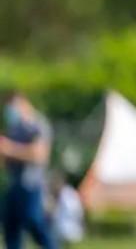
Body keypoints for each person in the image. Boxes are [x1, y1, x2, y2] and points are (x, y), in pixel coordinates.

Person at [0, 92, 57, 249]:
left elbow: (39, 155)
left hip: (31, 184)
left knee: (34, 222)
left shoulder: (38, 125)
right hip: (14, 184)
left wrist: (10, 149)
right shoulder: (14, 128)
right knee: (10, 226)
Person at [49, 172, 84, 248]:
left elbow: (73, 211)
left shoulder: (67, 194)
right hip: (61, 226)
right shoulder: (59, 194)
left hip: (68, 227)